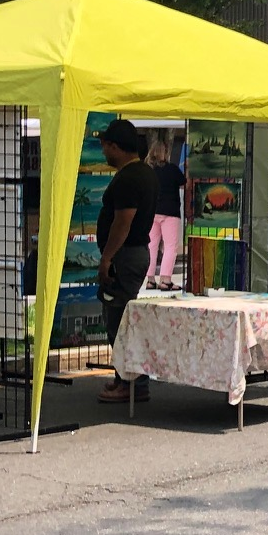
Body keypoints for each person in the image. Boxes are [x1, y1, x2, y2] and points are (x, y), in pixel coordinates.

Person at [95, 119, 158, 404]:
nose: (104, 151)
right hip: (134, 253)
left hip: (126, 255)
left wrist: (107, 258)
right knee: (120, 317)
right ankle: (127, 378)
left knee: (118, 320)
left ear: (117, 147)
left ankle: (132, 382)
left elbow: (123, 221)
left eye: (106, 145)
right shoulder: (144, 173)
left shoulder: (130, 178)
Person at [145, 139, 186, 291]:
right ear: (165, 153)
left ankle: (150, 280)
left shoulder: (148, 170)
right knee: (169, 246)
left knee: (151, 245)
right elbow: (183, 182)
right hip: (170, 212)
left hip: (152, 212)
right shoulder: (172, 169)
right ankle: (165, 279)